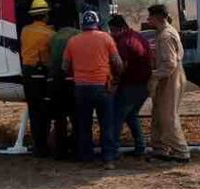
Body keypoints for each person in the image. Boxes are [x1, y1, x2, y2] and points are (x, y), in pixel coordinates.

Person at [62, 10, 123, 169]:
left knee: (83, 123)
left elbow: (64, 66)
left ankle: (86, 157)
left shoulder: (72, 41)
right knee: (106, 123)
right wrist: (116, 79)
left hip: (81, 87)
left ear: (82, 24)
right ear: (97, 23)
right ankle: (108, 159)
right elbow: (118, 63)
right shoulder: (106, 38)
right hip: (102, 86)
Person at [146, 4, 190, 162]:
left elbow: (169, 65)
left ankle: (181, 151)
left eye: (150, 17)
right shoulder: (165, 32)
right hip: (168, 77)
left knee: (167, 116)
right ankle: (160, 148)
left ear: (157, 18)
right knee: (158, 114)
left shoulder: (165, 36)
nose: (147, 20)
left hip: (171, 78)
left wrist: (152, 75)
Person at [108, 14, 152, 156]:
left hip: (131, 86)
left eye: (112, 31)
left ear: (119, 29)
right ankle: (140, 146)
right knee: (131, 115)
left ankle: (112, 151)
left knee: (116, 118)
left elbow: (122, 67)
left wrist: (114, 84)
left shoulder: (123, 42)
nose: (111, 34)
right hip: (144, 85)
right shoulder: (138, 37)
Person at [20, 0, 55, 157]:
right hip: (41, 74)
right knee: (45, 111)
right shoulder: (49, 34)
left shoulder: (25, 31)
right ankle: (44, 147)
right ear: (46, 15)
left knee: (34, 111)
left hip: (27, 74)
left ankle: (37, 146)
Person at [46, 11, 80, 160]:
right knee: (76, 117)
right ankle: (78, 148)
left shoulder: (53, 37)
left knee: (59, 118)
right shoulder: (77, 35)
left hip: (55, 81)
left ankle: (60, 151)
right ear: (74, 23)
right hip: (71, 80)